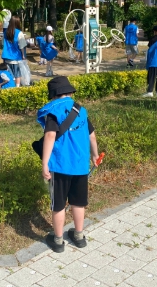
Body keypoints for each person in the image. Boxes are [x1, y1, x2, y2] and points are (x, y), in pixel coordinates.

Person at [38, 76, 100, 253]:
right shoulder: (81, 110)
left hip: (60, 166)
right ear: (70, 92)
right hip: (80, 165)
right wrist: (95, 155)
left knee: (58, 204)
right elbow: (92, 135)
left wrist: (45, 163)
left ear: (53, 95)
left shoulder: (53, 111)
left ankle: (58, 241)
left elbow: (50, 136)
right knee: (78, 203)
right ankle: (79, 236)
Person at [1, 16, 27, 86]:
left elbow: (2, 43)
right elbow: (21, 46)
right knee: (17, 74)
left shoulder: (5, 32)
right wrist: (23, 55)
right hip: (16, 57)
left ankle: (10, 86)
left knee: (9, 74)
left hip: (6, 57)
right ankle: (17, 88)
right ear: (17, 23)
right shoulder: (19, 33)